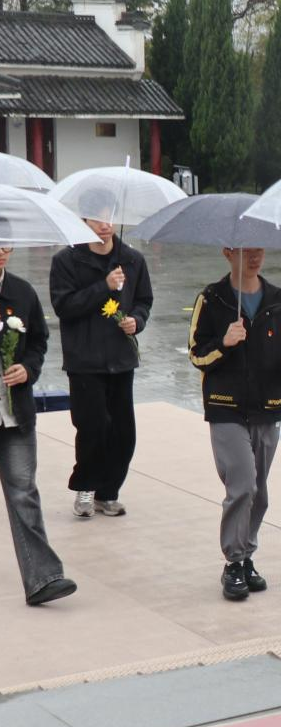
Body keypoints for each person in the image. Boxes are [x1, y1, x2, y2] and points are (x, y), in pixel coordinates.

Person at [188, 246, 281, 601]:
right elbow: (196, 354)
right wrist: (224, 342)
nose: (254, 257)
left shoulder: (280, 301)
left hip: (267, 407)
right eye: (246, 250)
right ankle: (233, 562)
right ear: (227, 252)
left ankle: (247, 555)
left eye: (259, 249)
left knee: (259, 492)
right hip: (226, 407)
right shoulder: (211, 299)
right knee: (243, 485)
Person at [49, 188, 152, 519]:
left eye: (110, 217)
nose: (105, 224)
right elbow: (64, 306)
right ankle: (85, 488)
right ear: (83, 221)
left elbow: (144, 301)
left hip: (121, 359)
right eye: (97, 218)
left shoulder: (132, 260)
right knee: (93, 427)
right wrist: (103, 287)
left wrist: (136, 321)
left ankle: (108, 493)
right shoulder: (66, 261)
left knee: (124, 433)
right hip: (84, 360)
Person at [0, 235, 77, 606]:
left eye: (5, 245)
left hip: (14, 414)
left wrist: (27, 370)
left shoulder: (22, 292)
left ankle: (42, 579)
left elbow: (38, 343)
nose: (1, 252)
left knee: (24, 492)